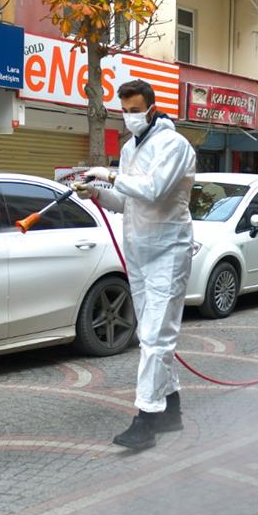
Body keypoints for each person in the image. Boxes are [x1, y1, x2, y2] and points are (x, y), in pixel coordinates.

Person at [75, 79, 196, 451]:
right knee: (150, 336)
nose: (129, 117)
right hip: (139, 253)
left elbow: (152, 189)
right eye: (124, 111)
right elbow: (127, 202)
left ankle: (146, 418)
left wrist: (107, 174)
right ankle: (172, 409)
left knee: (157, 337)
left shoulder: (174, 145)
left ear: (152, 107)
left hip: (169, 250)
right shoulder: (129, 149)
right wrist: (96, 191)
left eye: (135, 110)